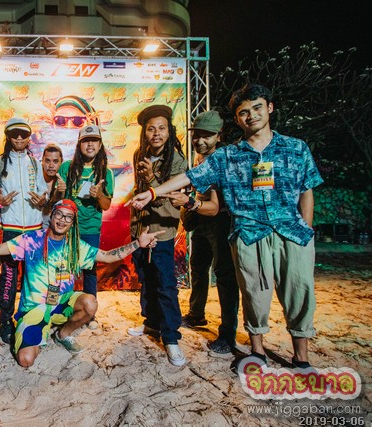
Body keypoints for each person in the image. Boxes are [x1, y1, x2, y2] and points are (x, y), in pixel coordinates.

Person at [128, 84, 323, 370]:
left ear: (270, 108)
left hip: (291, 232)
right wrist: (153, 192)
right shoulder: (227, 156)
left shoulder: (296, 148)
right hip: (250, 233)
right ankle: (257, 352)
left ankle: (301, 358)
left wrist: (306, 230)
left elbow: (307, 189)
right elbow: (190, 177)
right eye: (244, 112)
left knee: (299, 294)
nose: (251, 115)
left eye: (257, 108)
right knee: (254, 295)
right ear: (237, 119)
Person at [0, 199, 162, 368]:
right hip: (34, 308)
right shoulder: (32, 240)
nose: (62, 220)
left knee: (90, 303)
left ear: (72, 223)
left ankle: (62, 334)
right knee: (25, 360)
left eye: (68, 217)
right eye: (59, 215)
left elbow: (109, 256)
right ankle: (38, 331)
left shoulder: (76, 246)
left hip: (61, 304)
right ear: (51, 216)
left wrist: (137, 243)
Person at [164, 111, 240, 358]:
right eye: (196, 135)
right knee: (198, 268)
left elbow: (215, 204)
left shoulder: (220, 159)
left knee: (225, 276)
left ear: (219, 136)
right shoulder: (199, 158)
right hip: (202, 220)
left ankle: (227, 335)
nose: (200, 141)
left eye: (207, 136)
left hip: (221, 220)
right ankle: (196, 314)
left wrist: (189, 202)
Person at [126, 104, 188, 367]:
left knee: (165, 284)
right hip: (140, 229)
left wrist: (152, 180)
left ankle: (171, 337)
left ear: (169, 131)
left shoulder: (177, 160)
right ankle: (151, 323)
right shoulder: (139, 154)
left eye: (162, 128)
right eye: (151, 129)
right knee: (146, 279)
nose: (156, 133)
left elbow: (169, 199)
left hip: (162, 230)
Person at [0, 117, 48, 344]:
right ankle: (5, 320)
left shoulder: (35, 164)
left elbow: (44, 191)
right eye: (15, 134)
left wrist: (43, 199)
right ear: (8, 137)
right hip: (11, 228)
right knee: (9, 276)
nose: (19, 138)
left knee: (33, 277)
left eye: (23, 134)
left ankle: (30, 318)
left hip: (34, 228)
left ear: (29, 138)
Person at [57, 125, 114, 330]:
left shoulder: (105, 172)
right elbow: (58, 202)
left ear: (100, 145)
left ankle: (90, 315)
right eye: (86, 140)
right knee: (65, 271)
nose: (90, 144)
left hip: (90, 229)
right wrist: (59, 191)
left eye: (94, 140)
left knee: (89, 272)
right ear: (79, 144)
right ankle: (64, 312)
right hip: (68, 229)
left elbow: (106, 205)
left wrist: (98, 195)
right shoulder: (67, 167)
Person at [40, 144, 66, 228]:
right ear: (42, 161)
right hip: (35, 228)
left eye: (55, 161)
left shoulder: (65, 181)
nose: (51, 166)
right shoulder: (34, 178)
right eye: (47, 161)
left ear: (61, 162)